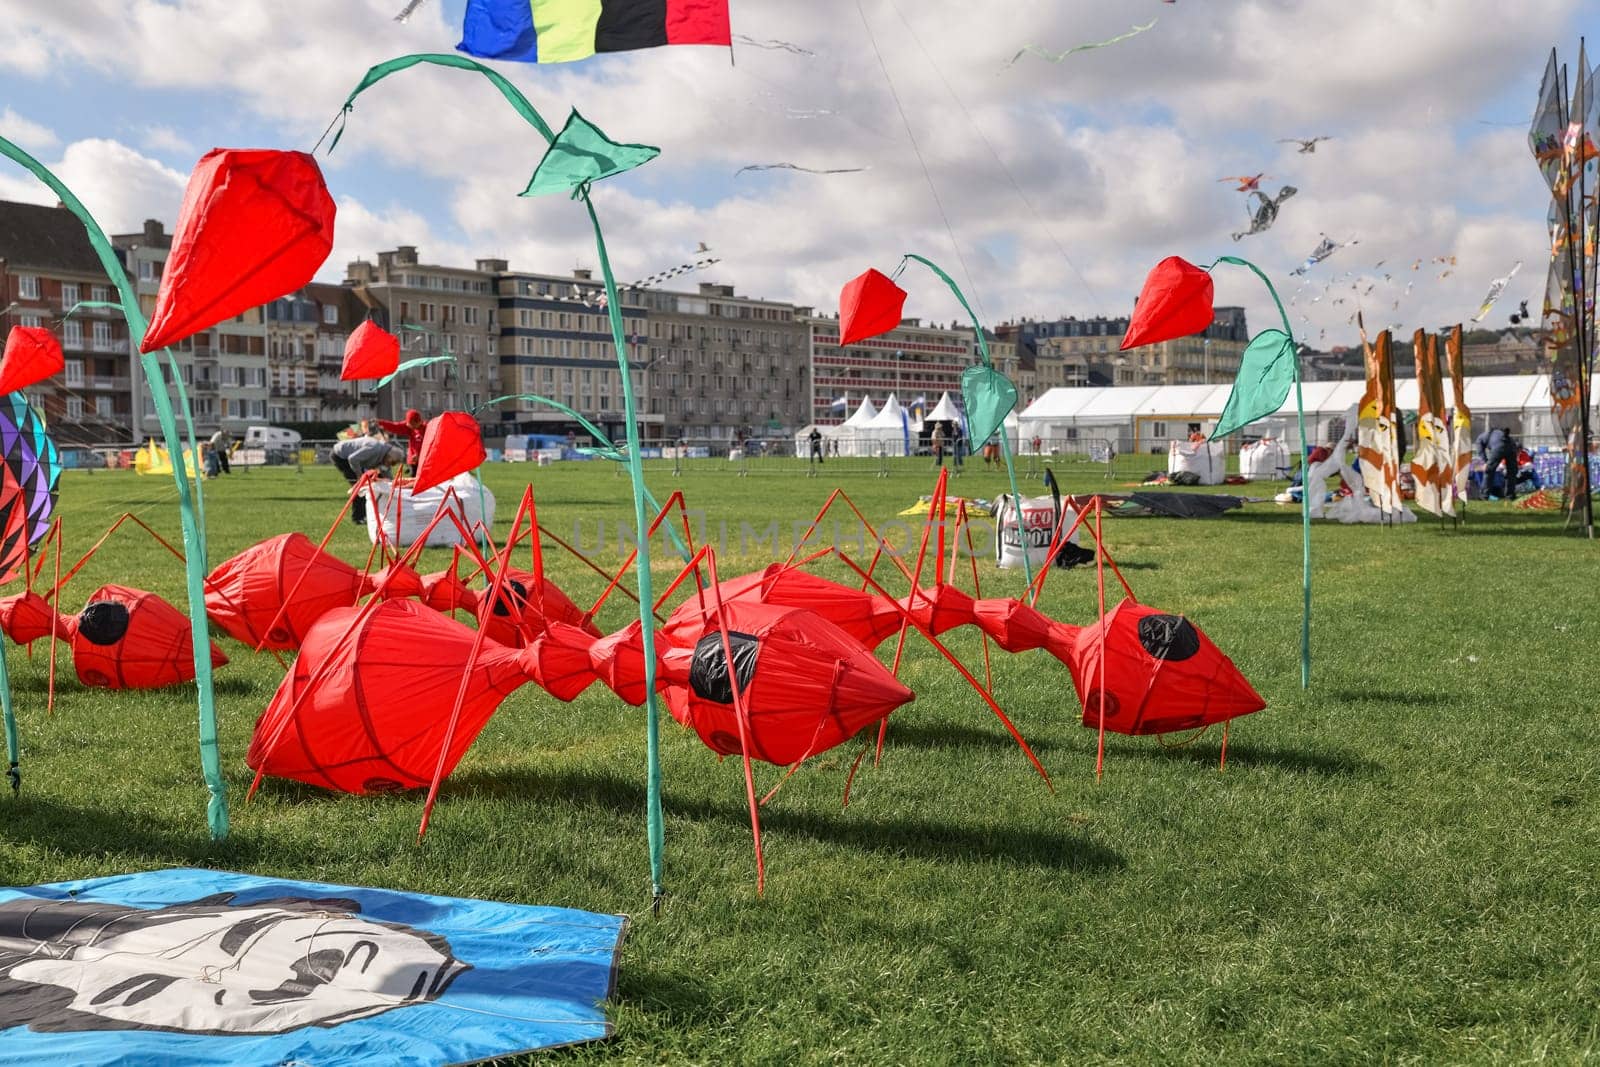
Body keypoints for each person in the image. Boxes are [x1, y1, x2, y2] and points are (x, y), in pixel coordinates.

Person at [331, 431, 401, 524]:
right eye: (392, 462)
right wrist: (359, 476)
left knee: (372, 484)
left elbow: (386, 473)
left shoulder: (385, 456)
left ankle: (374, 515)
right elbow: (353, 459)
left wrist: (392, 484)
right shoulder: (373, 448)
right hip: (341, 456)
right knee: (360, 487)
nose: (390, 465)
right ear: (389, 456)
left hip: (354, 460)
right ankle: (358, 518)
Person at [377, 409, 427, 475]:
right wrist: (380, 423)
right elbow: (395, 427)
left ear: (416, 422)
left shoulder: (427, 429)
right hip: (413, 463)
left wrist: (419, 455)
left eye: (410, 424)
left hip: (424, 462)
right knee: (413, 482)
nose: (408, 425)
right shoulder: (410, 428)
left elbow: (429, 445)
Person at [1476, 425, 1518, 500]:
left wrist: (1485, 462)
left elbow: (1480, 451)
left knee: (1489, 471)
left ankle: (1484, 495)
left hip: (1498, 446)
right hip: (1511, 444)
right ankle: (1510, 495)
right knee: (1512, 472)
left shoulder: (1480, 439)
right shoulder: (1495, 433)